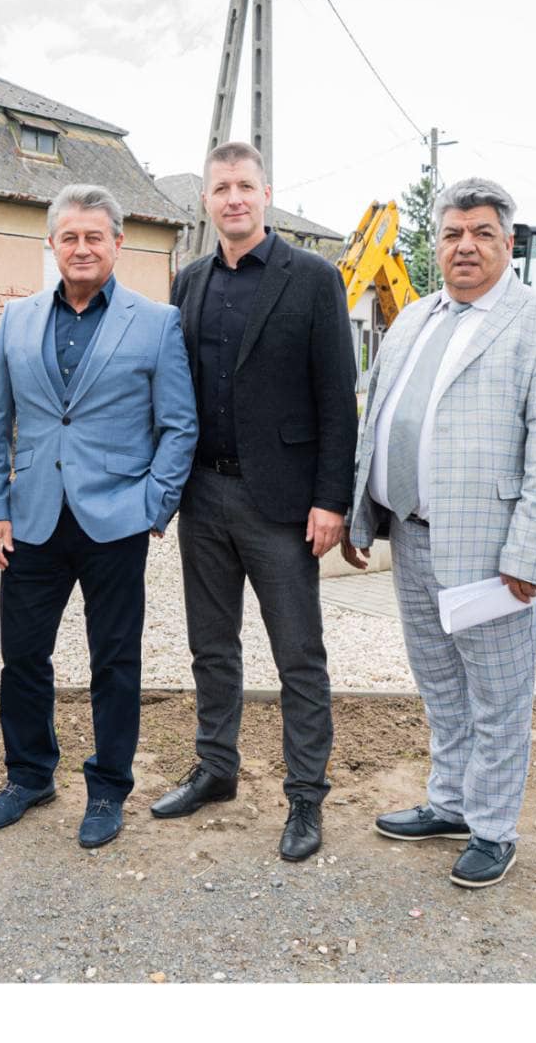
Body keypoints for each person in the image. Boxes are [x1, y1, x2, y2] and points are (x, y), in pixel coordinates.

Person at [343, 178, 536, 888]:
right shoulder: (414, 318)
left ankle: (492, 827)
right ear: (437, 243)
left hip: (491, 551)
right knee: (440, 684)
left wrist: (527, 551)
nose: (466, 246)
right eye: (452, 233)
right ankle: (449, 802)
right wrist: (362, 511)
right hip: (411, 533)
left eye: (482, 233)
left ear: (508, 243)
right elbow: (378, 417)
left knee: (499, 696)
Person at [150, 142, 358, 862]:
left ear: (266, 193)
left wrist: (332, 499)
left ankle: (305, 793)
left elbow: (337, 399)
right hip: (203, 493)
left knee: (298, 654)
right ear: (206, 200)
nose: (233, 198)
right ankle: (216, 767)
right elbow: (171, 392)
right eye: (221, 188)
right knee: (211, 645)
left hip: (283, 503)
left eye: (245, 186)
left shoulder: (315, 278)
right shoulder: (189, 281)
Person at [0, 184, 197, 849]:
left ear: (117, 244)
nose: (81, 248)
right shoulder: (17, 319)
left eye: (94, 237)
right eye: (69, 237)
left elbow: (179, 425)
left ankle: (107, 789)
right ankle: (29, 776)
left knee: (115, 661)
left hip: (116, 520)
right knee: (22, 657)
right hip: (32, 519)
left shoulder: (156, 322)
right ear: (52, 244)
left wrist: (154, 505)